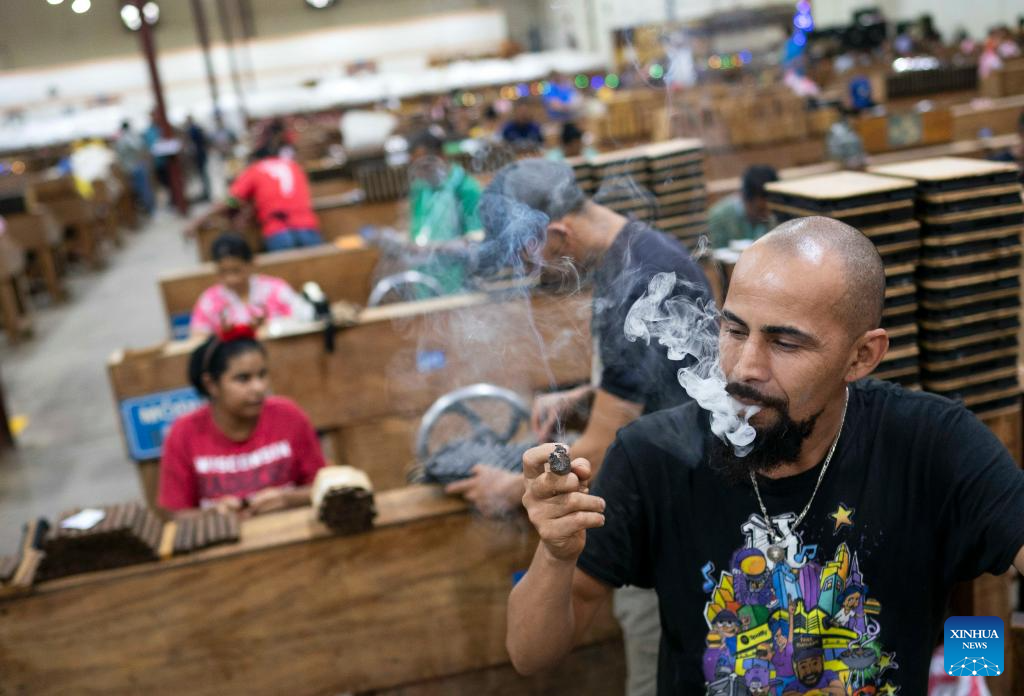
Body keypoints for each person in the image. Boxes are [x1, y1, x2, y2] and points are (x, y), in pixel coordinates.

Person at [506, 216, 1024, 694]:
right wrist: (555, 553)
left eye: (785, 343)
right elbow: (530, 654)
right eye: (734, 330)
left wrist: (979, 663)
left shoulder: (931, 444)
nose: (744, 368)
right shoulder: (652, 456)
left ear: (862, 355)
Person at [449, 158, 711, 696]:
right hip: (665, 491)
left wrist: (511, 488)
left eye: (529, 251)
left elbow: (604, 444)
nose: (531, 267)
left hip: (670, 512)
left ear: (558, 232)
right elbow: (661, 379)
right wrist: (586, 394)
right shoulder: (637, 253)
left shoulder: (639, 279)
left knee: (657, 665)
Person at [158, 325, 325, 516]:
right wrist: (214, 514)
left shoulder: (289, 416)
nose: (258, 387)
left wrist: (288, 499)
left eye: (262, 375)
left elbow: (323, 487)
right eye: (243, 379)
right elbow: (176, 514)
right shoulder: (183, 433)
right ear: (211, 384)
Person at [186, 149, 323, 252]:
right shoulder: (294, 166)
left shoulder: (255, 169)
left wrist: (197, 222)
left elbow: (232, 202)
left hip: (278, 231)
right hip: (308, 227)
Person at [189, 233, 314, 337]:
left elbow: (304, 317)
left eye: (236, 270)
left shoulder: (275, 290)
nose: (231, 279)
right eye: (223, 272)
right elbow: (198, 337)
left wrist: (272, 327)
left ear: (251, 264)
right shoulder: (209, 300)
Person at [406, 130, 484, 294]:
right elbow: (418, 231)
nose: (420, 172)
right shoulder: (422, 188)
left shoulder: (465, 188)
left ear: (441, 156)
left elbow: (477, 241)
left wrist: (433, 247)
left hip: (459, 282)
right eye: (415, 166)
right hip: (425, 281)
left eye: (425, 165)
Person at [707, 165, 778, 249]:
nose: (767, 214)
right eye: (760, 210)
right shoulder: (718, 217)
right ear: (745, 198)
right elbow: (715, 251)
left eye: (770, 210)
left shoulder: (772, 215)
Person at [115, 120, 154, 216]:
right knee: (144, 189)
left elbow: (119, 156)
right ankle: (149, 210)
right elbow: (140, 147)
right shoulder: (131, 137)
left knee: (138, 190)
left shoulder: (121, 140)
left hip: (129, 169)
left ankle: (145, 209)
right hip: (137, 167)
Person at [185, 115, 211, 202]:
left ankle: (207, 193)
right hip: (200, 155)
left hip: (199, 155)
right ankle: (206, 192)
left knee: (203, 174)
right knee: (203, 175)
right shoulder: (195, 129)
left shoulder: (193, 130)